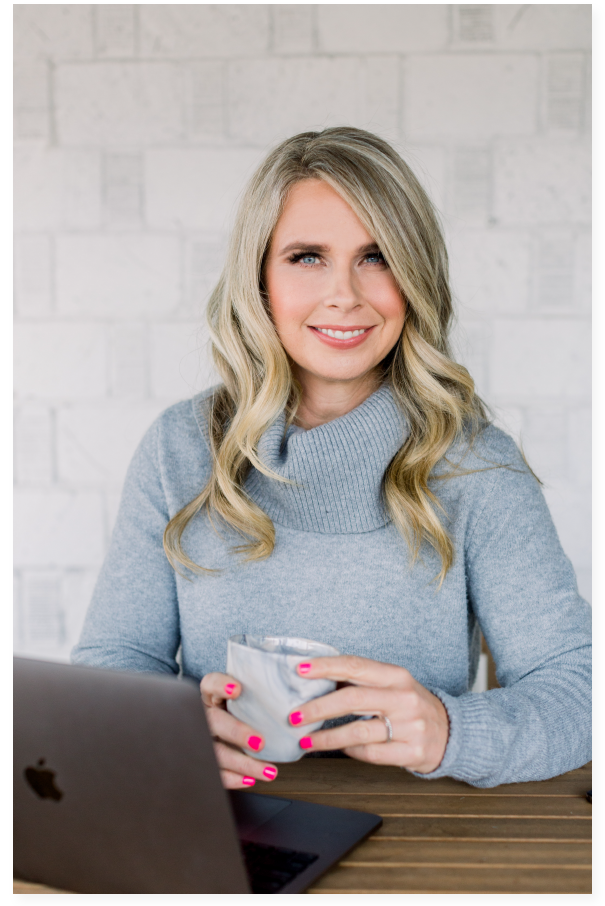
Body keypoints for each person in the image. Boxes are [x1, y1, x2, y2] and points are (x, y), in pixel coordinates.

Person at [72, 127, 591, 789]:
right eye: (307, 257)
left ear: (414, 276)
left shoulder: (476, 466)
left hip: (428, 833)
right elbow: (112, 662)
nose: (344, 293)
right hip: (227, 822)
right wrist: (162, 733)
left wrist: (452, 730)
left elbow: (576, 689)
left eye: (376, 256)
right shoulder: (179, 448)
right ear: (260, 278)